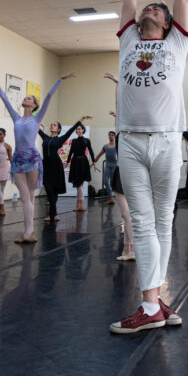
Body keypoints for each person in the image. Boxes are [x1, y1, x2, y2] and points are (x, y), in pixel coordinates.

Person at [108, 0, 188, 334]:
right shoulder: (128, 40)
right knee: (142, 221)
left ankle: (151, 304)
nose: (150, 8)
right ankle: (154, 304)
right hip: (130, 141)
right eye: (147, 7)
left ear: (168, 24)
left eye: (158, 9)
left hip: (168, 140)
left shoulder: (177, 44)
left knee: (163, 221)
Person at [0, 73, 76, 244]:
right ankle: (29, 232)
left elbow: (48, 96)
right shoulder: (16, 118)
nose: (26, 98)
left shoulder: (37, 118)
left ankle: (29, 233)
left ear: (34, 105)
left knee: (30, 196)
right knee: (25, 197)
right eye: (25, 97)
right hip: (18, 159)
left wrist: (60, 79)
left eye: (29, 98)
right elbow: (6, 101)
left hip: (32, 158)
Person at [104, 73, 135, 261]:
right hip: (122, 173)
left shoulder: (133, 133)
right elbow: (118, 103)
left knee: (128, 214)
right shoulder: (121, 131)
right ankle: (128, 249)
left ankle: (130, 249)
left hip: (131, 174)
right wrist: (118, 84)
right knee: (126, 214)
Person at [38, 115, 92, 222]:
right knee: (49, 189)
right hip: (46, 167)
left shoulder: (61, 139)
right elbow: (36, 129)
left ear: (58, 129)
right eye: (51, 124)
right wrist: (32, 117)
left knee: (54, 191)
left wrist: (81, 119)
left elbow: (72, 129)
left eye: (54, 125)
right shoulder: (46, 138)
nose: (52, 126)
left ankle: (52, 215)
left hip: (56, 167)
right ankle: (54, 214)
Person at [66, 124, 97, 211]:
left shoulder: (87, 140)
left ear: (83, 130)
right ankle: (78, 205)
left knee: (80, 185)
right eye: (77, 129)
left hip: (83, 162)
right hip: (75, 162)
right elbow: (71, 152)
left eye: (80, 129)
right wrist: (67, 162)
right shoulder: (74, 141)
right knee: (78, 185)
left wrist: (94, 162)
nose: (78, 130)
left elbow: (91, 151)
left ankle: (81, 205)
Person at [94, 131, 118, 206]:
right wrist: (95, 160)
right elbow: (99, 155)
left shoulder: (117, 146)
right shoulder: (105, 146)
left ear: (114, 136)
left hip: (114, 165)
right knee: (105, 182)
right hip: (107, 166)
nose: (111, 136)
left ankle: (110, 198)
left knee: (112, 182)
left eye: (112, 135)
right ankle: (110, 197)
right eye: (109, 135)